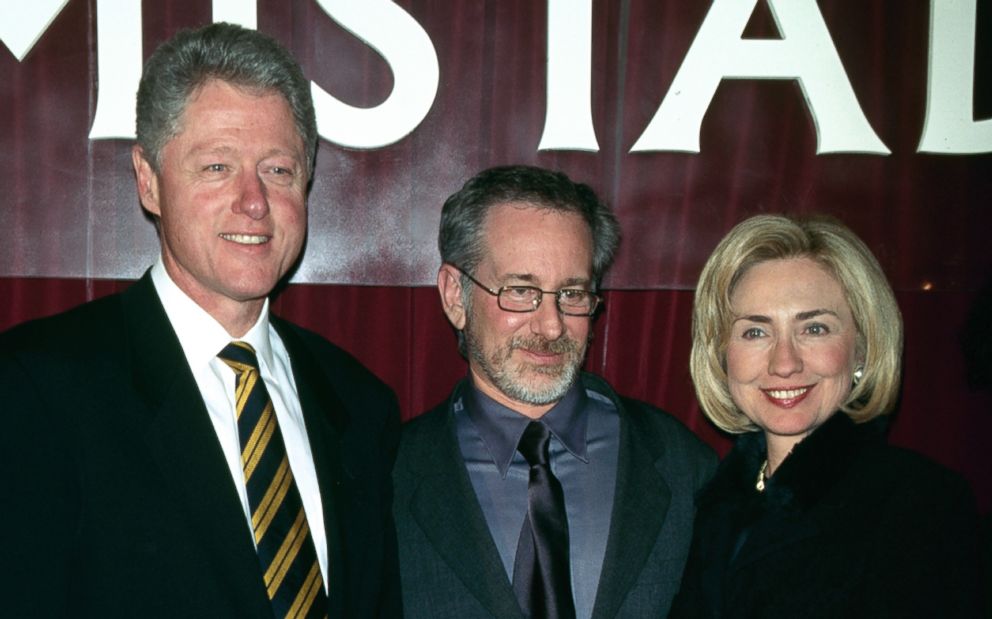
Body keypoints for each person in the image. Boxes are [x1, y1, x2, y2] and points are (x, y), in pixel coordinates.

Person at [0, 23, 400, 618]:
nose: (254, 201)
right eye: (217, 167)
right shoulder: (38, 389)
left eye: (278, 170)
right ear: (148, 181)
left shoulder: (360, 404)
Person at [393, 165, 717, 619]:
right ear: (454, 295)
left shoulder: (684, 467)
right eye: (521, 291)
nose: (551, 326)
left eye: (572, 294)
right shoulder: (384, 479)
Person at [670, 214, 985, 618]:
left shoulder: (920, 507)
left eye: (814, 329)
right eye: (755, 332)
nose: (784, 363)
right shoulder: (710, 506)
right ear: (721, 355)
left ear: (862, 349)